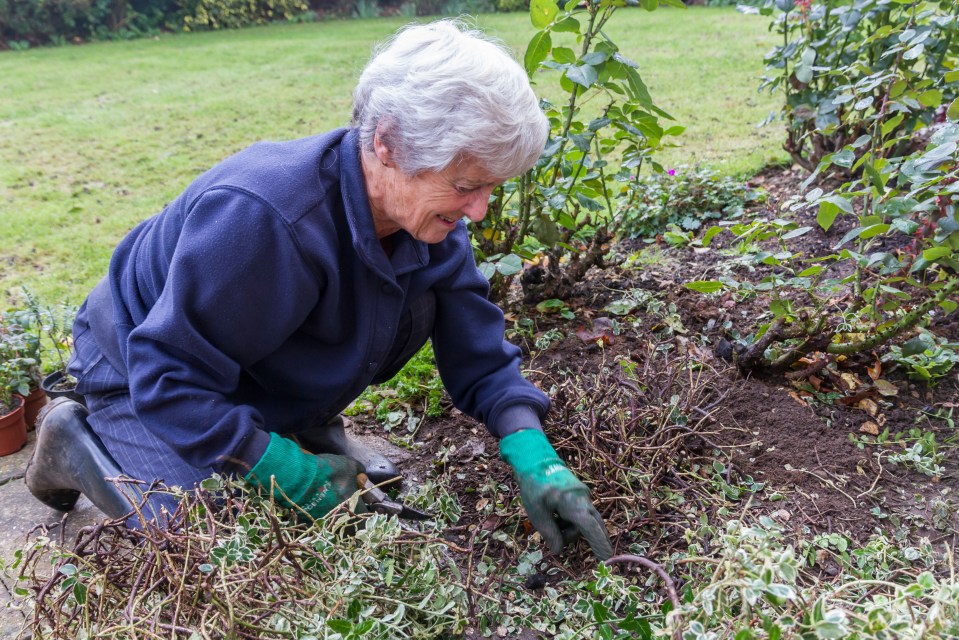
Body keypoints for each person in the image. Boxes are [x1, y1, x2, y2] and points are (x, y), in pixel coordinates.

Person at [26, 19, 613, 560]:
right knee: (222, 541)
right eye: (465, 185)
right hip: (140, 367)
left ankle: (286, 424)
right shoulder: (264, 219)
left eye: (490, 187)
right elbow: (166, 374)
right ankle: (74, 444)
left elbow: (476, 347)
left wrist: (531, 450)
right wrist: (287, 472)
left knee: (415, 299)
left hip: (233, 355)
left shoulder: (427, 221)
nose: (479, 211)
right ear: (386, 143)